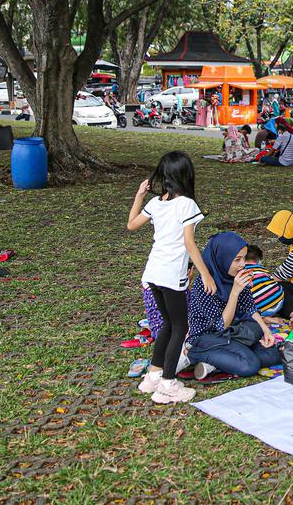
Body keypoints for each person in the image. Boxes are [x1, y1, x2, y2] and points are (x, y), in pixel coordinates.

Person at [128, 151, 216, 405]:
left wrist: (139, 195)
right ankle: (167, 385)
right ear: (185, 175)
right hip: (170, 274)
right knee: (180, 326)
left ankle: (153, 375)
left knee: (168, 324)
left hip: (152, 272)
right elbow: (190, 243)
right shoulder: (186, 204)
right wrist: (205, 274)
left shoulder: (156, 202)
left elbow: (131, 225)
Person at [184, 232, 281, 381]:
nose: (242, 264)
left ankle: (215, 365)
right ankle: (194, 355)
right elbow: (220, 325)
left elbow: (250, 307)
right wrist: (235, 292)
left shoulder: (235, 275)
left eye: (244, 258)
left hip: (232, 332)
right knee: (249, 366)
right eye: (237, 260)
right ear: (222, 258)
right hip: (207, 336)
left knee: (273, 354)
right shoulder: (203, 285)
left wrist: (267, 331)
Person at [239, 245, 285, 319]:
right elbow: (272, 279)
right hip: (279, 302)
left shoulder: (241, 271)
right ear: (259, 260)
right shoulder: (262, 269)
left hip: (261, 310)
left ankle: (263, 318)